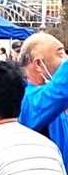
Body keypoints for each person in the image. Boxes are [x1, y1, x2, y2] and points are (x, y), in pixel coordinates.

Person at [18, 33, 68, 167]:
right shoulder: (25, 99)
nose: (65, 59)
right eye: (60, 54)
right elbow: (59, 91)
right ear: (39, 64)